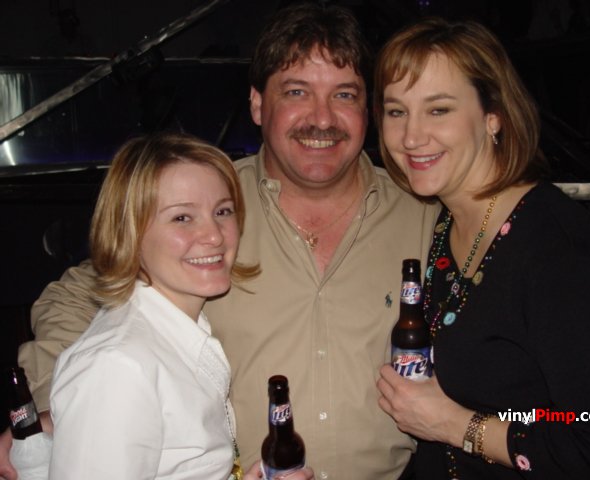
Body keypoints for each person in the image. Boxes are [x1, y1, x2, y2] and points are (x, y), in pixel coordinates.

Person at [5, 3, 439, 479]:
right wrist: (65, 411)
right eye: (297, 91)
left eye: (344, 95)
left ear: (367, 111)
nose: (322, 118)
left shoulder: (422, 213)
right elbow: (75, 298)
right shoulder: (208, 202)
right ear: (257, 104)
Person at [374, 17, 590, 479]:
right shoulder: (446, 220)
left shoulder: (554, 247)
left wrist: (455, 425)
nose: (411, 137)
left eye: (438, 110)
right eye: (397, 111)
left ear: (492, 116)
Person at [46, 132, 313, 480]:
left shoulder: (177, 332)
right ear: (129, 231)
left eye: (222, 211)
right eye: (182, 218)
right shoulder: (118, 366)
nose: (215, 235)